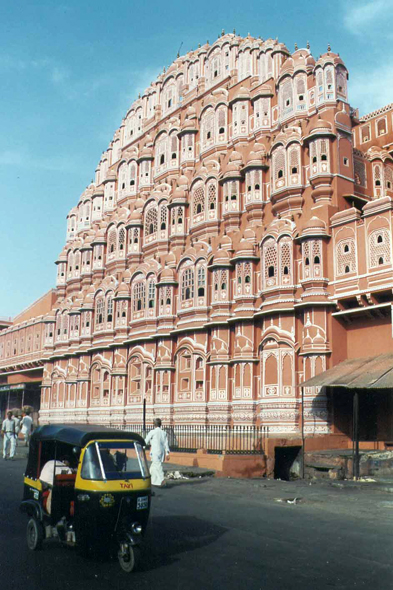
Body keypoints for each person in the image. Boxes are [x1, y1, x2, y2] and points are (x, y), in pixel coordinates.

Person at [145, 418, 170, 487]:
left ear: (154, 424)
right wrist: (167, 453)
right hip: (161, 452)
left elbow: (145, 441)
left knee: (158, 465)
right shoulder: (163, 433)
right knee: (153, 467)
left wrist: (142, 447)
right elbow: (166, 444)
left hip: (155, 452)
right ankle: (152, 481)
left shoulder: (152, 432)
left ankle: (162, 480)